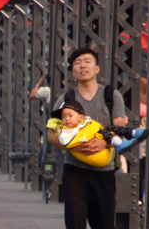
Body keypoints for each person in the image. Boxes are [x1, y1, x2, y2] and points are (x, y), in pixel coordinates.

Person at [48, 48, 125, 229]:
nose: (83, 65)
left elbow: (120, 128)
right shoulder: (66, 99)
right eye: (77, 63)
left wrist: (104, 142)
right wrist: (76, 147)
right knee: (75, 222)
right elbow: (51, 135)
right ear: (73, 71)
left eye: (87, 61)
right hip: (75, 171)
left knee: (104, 224)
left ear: (97, 68)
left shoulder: (111, 96)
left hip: (104, 172)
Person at [47, 100, 149, 167]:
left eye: (70, 116)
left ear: (80, 117)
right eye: (63, 117)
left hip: (105, 162)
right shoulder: (64, 130)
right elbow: (59, 139)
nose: (66, 119)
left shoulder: (111, 94)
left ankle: (133, 133)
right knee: (104, 131)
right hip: (83, 165)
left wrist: (103, 143)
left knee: (109, 129)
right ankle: (121, 144)